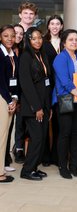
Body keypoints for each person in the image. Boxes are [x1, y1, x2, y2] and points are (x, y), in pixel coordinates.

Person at [53, 29, 77, 179]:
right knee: (65, 134)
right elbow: (65, 81)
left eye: (76, 39)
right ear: (64, 42)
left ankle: (74, 166)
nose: (74, 42)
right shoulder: (60, 59)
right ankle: (63, 167)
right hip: (66, 100)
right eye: (71, 40)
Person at [19, 27, 51, 181]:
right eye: (34, 38)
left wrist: (47, 107)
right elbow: (26, 85)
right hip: (33, 107)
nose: (38, 41)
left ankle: (34, 168)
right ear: (28, 40)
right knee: (36, 138)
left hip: (43, 104)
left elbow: (46, 82)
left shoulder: (41, 54)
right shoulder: (25, 56)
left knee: (41, 137)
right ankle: (26, 171)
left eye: (39, 37)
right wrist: (37, 107)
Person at [42, 15, 64, 167]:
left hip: (62, 87)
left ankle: (57, 156)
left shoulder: (66, 42)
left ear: (62, 26)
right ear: (48, 26)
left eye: (58, 24)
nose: (55, 26)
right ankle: (45, 156)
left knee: (58, 123)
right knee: (45, 122)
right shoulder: (42, 42)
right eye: (52, 24)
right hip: (47, 86)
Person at [0, 25, 18, 183]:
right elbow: (1, 82)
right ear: (0, 37)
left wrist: (15, 98)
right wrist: (9, 99)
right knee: (1, 136)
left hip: (10, 98)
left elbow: (14, 81)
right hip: (2, 98)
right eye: (6, 36)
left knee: (4, 135)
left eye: (12, 36)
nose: (10, 39)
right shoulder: (0, 54)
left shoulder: (13, 55)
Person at [5, 24, 24, 171]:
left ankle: (5, 160)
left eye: (18, 34)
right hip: (5, 96)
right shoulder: (4, 52)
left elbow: (16, 77)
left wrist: (15, 97)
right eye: (11, 34)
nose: (14, 37)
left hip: (14, 95)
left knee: (9, 128)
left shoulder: (18, 53)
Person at [12, 24, 26, 164]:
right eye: (16, 32)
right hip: (7, 91)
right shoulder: (5, 50)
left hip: (21, 92)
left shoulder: (23, 51)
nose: (18, 35)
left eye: (21, 33)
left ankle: (19, 149)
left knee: (20, 123)